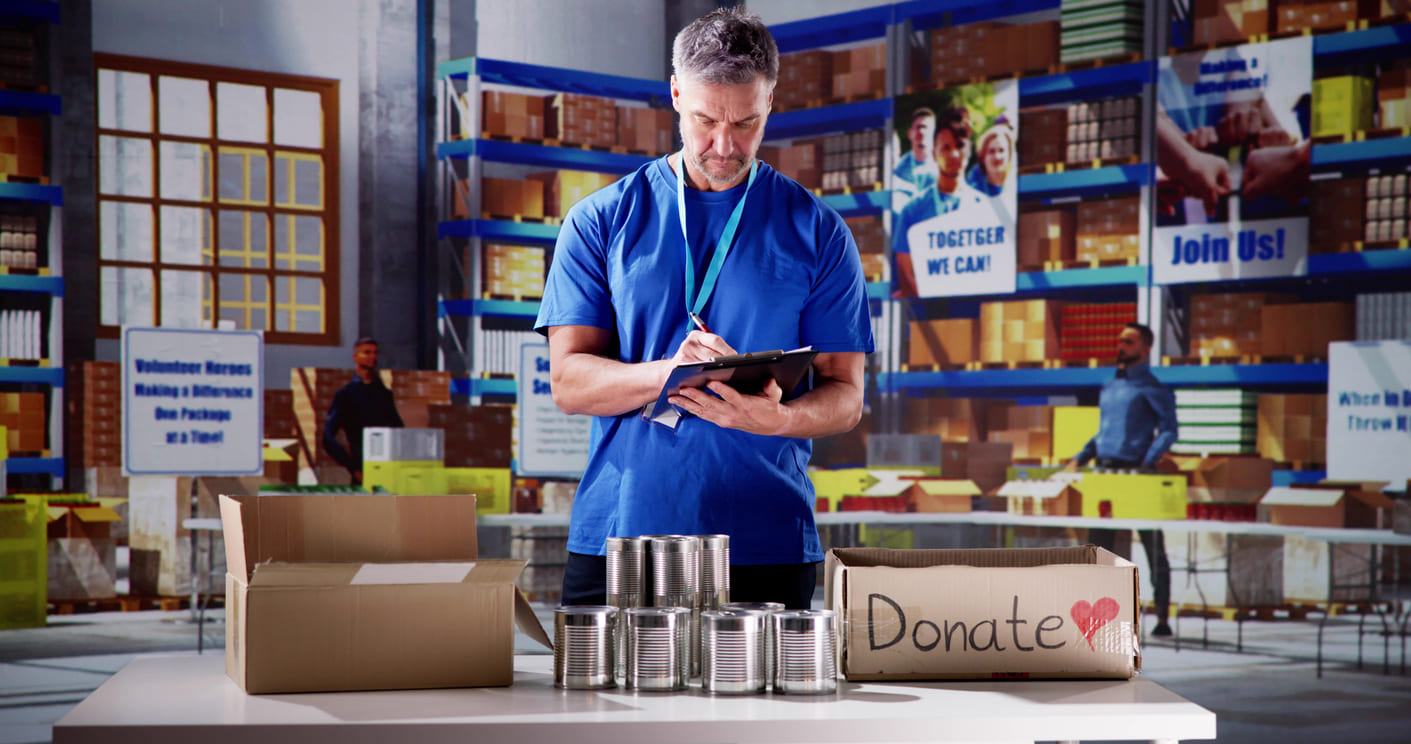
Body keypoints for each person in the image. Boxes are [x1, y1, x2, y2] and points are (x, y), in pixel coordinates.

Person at [534, 7, 873, 611]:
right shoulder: (601, 221)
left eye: (746, 122)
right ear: (674, 95)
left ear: (771, 99)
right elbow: (569, 382)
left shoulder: (818, 233)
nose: (724, 145)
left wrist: (782, 421)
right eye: (704, 120)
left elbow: (846, 393)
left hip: (765, 543)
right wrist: (671, 374)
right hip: (621, 536)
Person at [1066, 322, 1177, 636]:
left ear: (1145, 348)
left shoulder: (1153, 387)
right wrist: (1080, 457)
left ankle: (1163, 617)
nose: (1120, 345)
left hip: (1138, 473)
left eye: (1128, 341)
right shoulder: (1111, 386)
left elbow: (1170, 429)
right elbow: (1104, 432)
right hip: (1105, 471)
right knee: (1098, 547)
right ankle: (1098, 616)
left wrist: (1148, 460)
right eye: (1119, 340)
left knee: (1153, 546)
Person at [890, 105, 987, 297]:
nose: (954, 155)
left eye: (960, 146)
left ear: (970, 151)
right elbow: (906, 274)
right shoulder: (912, 211)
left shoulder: (984, 209)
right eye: (946, 147)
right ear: (935, 152)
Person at [323, 337, 403, 485]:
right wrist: (352, 468)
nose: (372, 357)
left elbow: (398, 429)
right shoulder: (346, 396)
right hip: (362, 469)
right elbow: (327, 438)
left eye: (375, 353)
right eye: (367, 352)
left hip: (389, 470)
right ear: (355, 356)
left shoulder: (384, 394)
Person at [890, 107, 938, 212]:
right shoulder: (897, 168)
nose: (921, 133)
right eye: (918, 128)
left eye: (926, 129)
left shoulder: (942, 169)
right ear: (910, 133)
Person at [965, 120, 1015, 197]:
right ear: (983, 157)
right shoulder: (974, 193)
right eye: (991, 151)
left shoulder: (1015, 185)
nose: (997, 156)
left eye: (1001, 150)